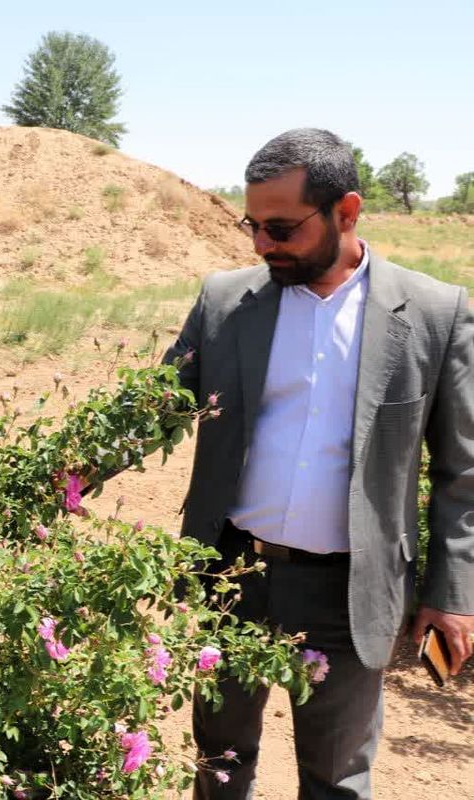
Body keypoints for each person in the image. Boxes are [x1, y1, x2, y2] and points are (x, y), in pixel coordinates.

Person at [164, 128, 474, 799]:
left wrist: (451, 598)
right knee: (220, 764)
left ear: (347, 212)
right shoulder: (225, 302)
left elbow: (462, 475)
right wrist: (55, 476)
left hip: (350, 593)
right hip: (234, 577)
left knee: (335, 780)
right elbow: (151, 410)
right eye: (253, 225)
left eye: (281, 227)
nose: (261, 245)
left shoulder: (433, 314)